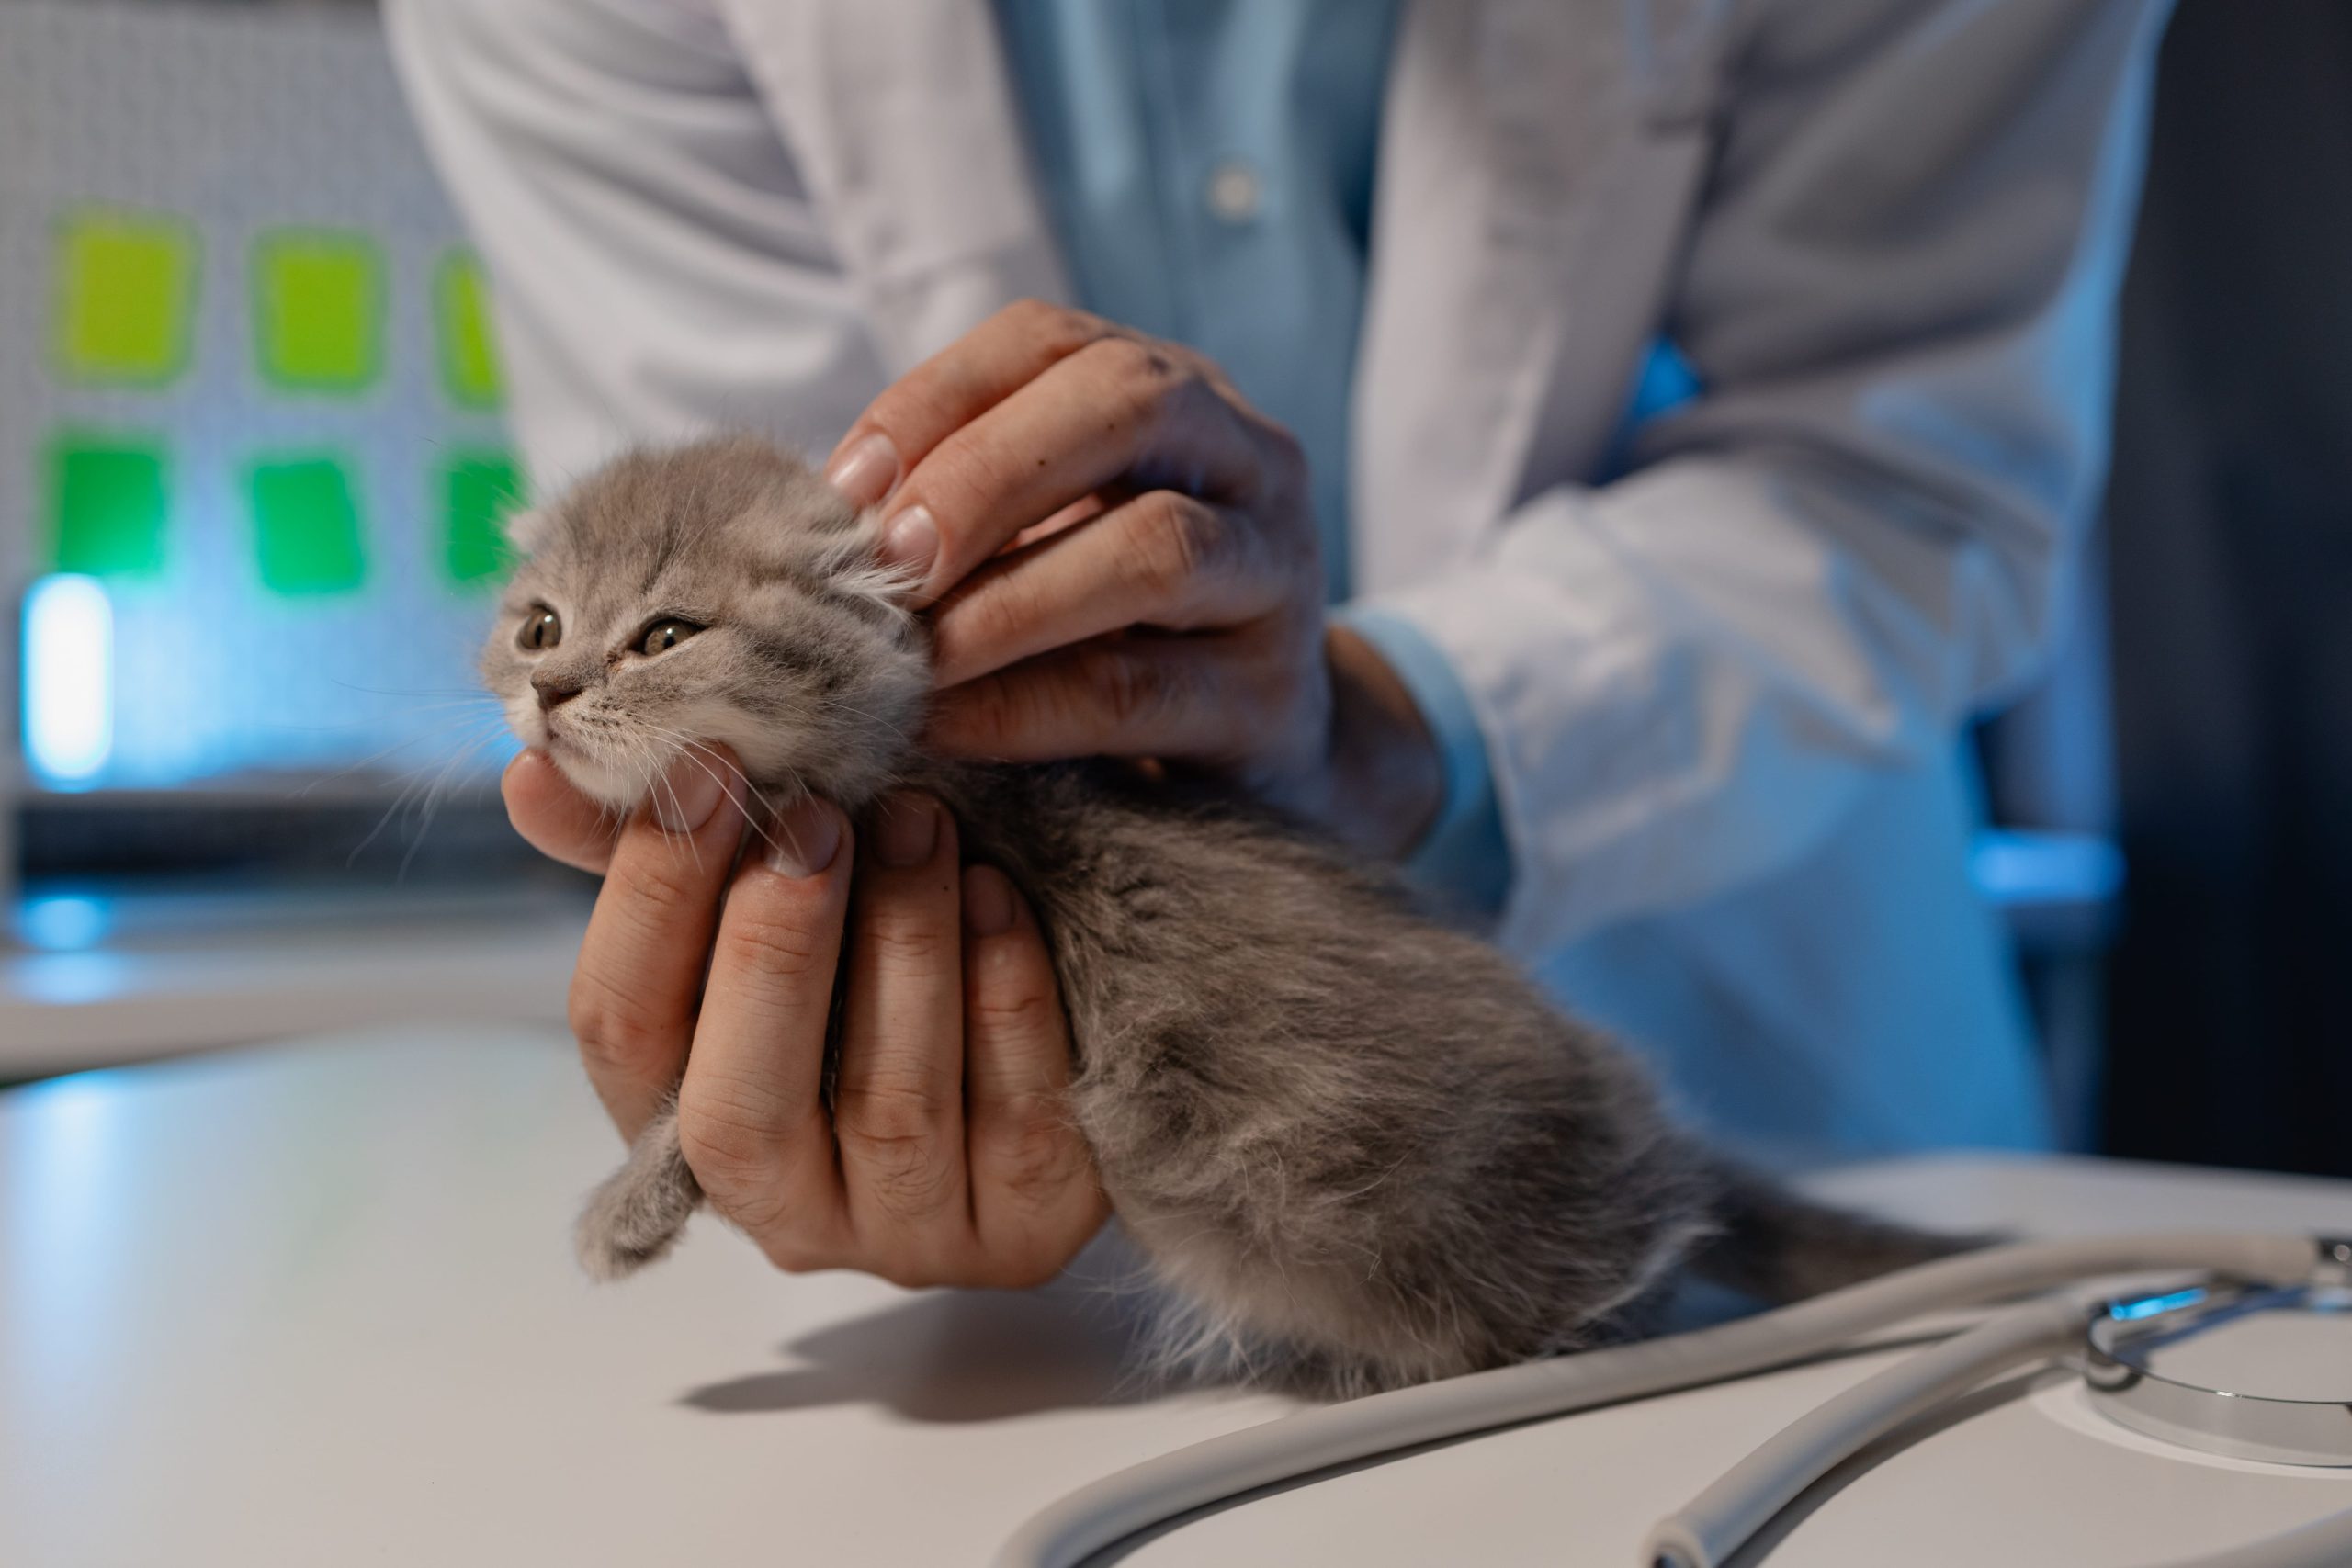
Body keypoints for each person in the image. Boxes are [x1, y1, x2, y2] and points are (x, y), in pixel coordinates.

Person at [388, 0, 2173, 1290]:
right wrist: (820, 1004)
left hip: (1732, 1006)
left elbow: (1894, 470)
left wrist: (1400, 721)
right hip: (1073, 1227)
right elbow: (694, 549)